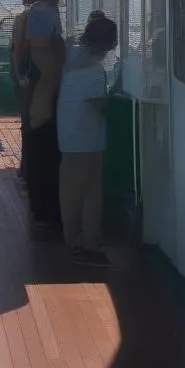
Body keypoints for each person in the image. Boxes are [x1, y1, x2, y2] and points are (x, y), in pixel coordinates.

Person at [57, 15, 119, 266]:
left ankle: (74, 239)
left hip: (70, 134)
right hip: (87, 139)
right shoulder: (93, 71)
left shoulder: (70, 54)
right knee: (89, 191)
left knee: (71, 189)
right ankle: (85, 244)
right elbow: (101, 105)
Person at [25, 0, 67, 229]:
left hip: (49, 84)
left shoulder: (48, 9)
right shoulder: (42, 12)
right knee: (41, 143)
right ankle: (44, 209)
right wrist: (56, 71)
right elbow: (39, 46)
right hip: (45, 88)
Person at [9, 0, 40, 182]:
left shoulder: (24, 17)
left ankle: (27, 166)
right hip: (29, 74)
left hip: (26, 74)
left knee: (28, 121)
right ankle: (28, 167)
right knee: (30, 121)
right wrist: (21, 75)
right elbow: (19, 49)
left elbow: (16, 49)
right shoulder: (25, 18)